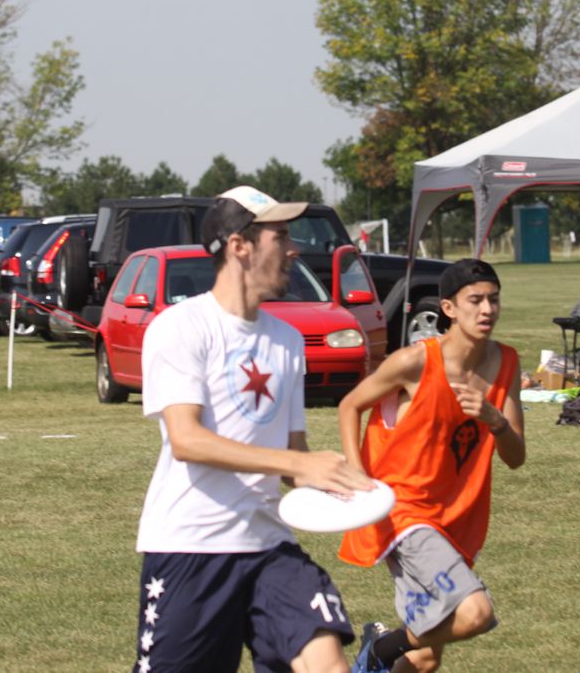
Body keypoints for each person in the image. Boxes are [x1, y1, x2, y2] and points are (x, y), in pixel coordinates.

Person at [131, 185, 372, 673]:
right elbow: (187, 440)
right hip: (191, 548)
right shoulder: (180, 327)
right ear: (239, 245)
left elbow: (293, 457)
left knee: (328, 663)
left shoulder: (287, 340)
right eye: (280, 236)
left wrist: (347, 486)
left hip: (269, 548)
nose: (293, 249)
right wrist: (297, 462)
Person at [338, 258, 526, 673]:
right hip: (405, 512)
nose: (487, 309)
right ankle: (382, 648)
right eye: (475, 300)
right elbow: (350, 405)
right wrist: (356, 472)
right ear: (449, 308)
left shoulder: (508, 363)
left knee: (424, 659)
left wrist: (495, 421)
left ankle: (379, 659)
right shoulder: (415, 362)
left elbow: (515, 458)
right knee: (475, 612)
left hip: (457, 517)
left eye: (494, 299)